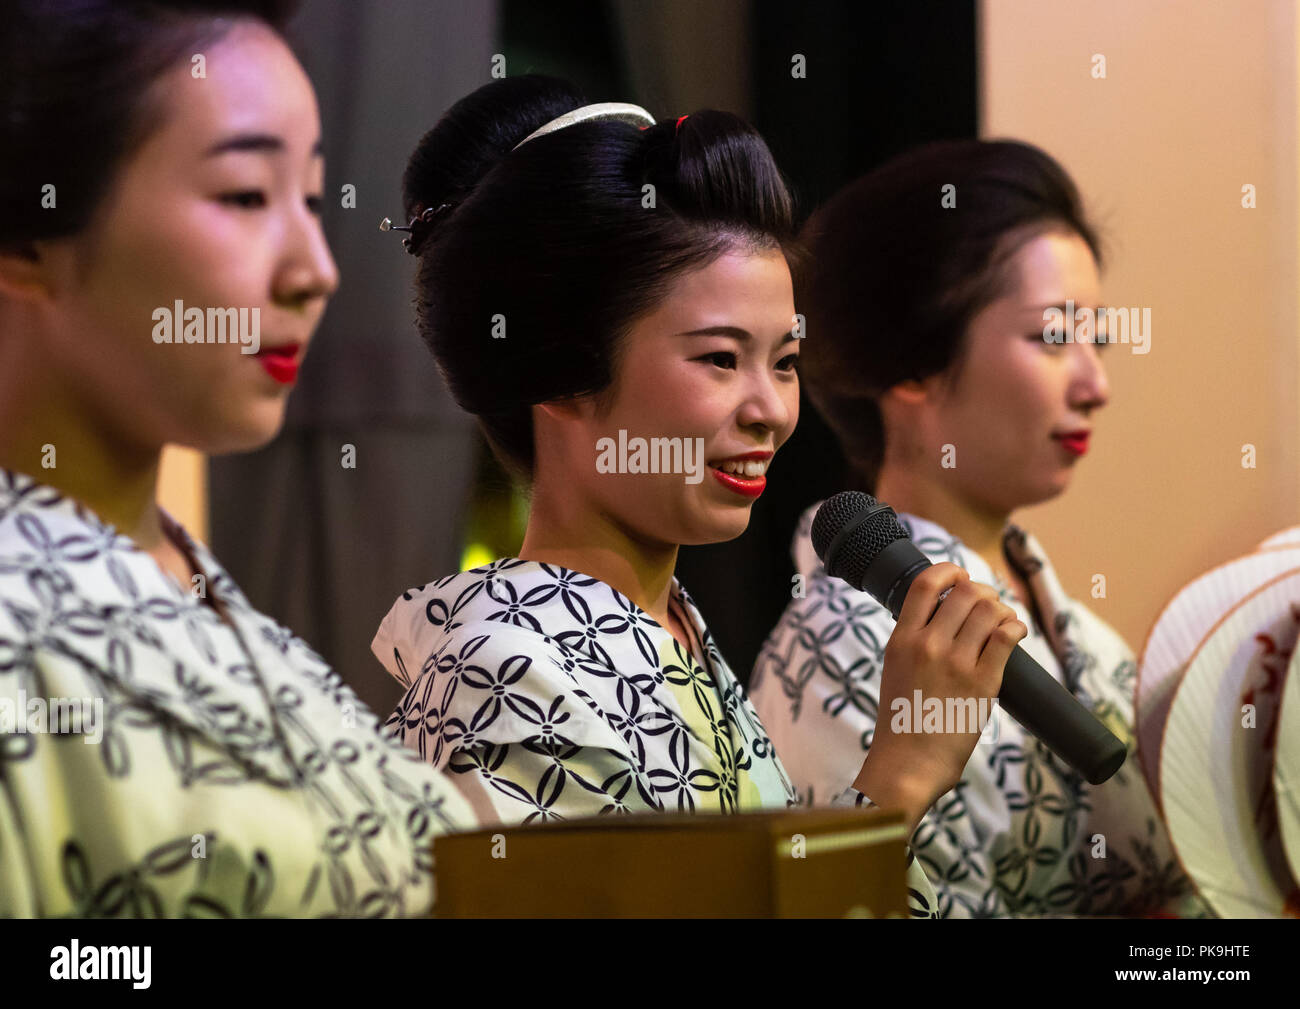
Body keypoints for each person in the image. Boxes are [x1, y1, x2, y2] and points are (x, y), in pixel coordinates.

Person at [373, 75, 1029, 917]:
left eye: (785, 363)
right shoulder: (506, 674)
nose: (771, 412)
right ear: (565, 372)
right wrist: (898, 783)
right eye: (720, 359)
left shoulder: (674, 635)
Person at [0, 0, 474, 917]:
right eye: (246, 196)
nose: (316, 268)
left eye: (311, 195)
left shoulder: (231, 619)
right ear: (27, 241)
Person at [747, 139, 1207, 918]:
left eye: (1096, 338)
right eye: (1054, 337)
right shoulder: (846, 643)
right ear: (914, 361)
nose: (1096, 384)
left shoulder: (1084, 640)